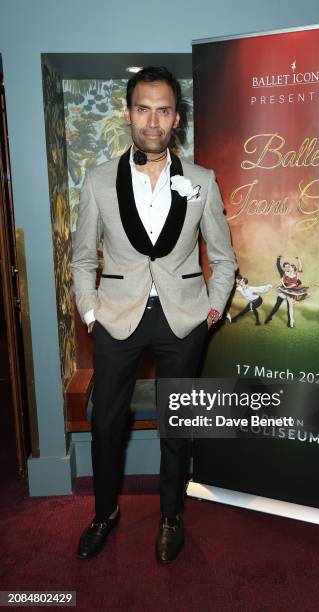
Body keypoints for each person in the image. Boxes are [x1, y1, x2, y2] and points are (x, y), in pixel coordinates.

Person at [71, 66, 236, 564]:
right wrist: (89, 310)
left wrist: (210, 310)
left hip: (182, 319)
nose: (153, 120)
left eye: (163, 110)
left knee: (176, 424)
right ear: (128, 114)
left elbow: (224, 259)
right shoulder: (98, 181)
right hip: (116, 318)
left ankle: (171, 515)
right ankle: (104, 513)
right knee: (107, 423)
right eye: (143, 108)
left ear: (176, 118)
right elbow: (82, 257)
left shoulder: (202, 180)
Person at [264, 256, 308, 327]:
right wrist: (278, 258)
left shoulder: (293, 273)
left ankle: (289, 322)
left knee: (289, 307)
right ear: (284, 268)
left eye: (289, 266)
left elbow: (297, 279)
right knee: (277, 305)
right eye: (286, 267)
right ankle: (269, 317)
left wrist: (298, 285)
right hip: (283, 291)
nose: (288, 268)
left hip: (290, 291)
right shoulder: (283, 272)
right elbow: (278, 266)